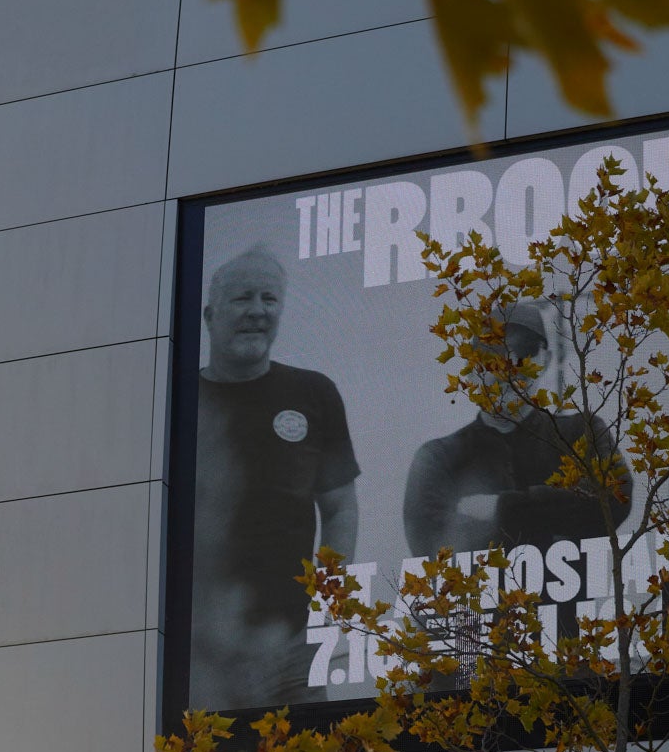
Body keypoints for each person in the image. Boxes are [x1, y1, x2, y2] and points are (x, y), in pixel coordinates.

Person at [190, 245, 360, 708]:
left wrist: (325, 611)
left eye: (270, 299)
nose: (258, 312)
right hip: (200, 650)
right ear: (210, 313)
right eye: (243, 298)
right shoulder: (181, 401)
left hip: (292, 648)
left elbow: (340, 507)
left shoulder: (313, 393)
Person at [402, 301, 632, 562]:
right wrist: (561, 515)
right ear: (474, 366)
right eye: (494, 350)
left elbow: (614, 497)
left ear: (544, 359)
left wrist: (501, 508)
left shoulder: (581, 433)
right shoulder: (438, 458)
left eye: (524, 350)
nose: (509, 366)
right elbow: (434, 545)